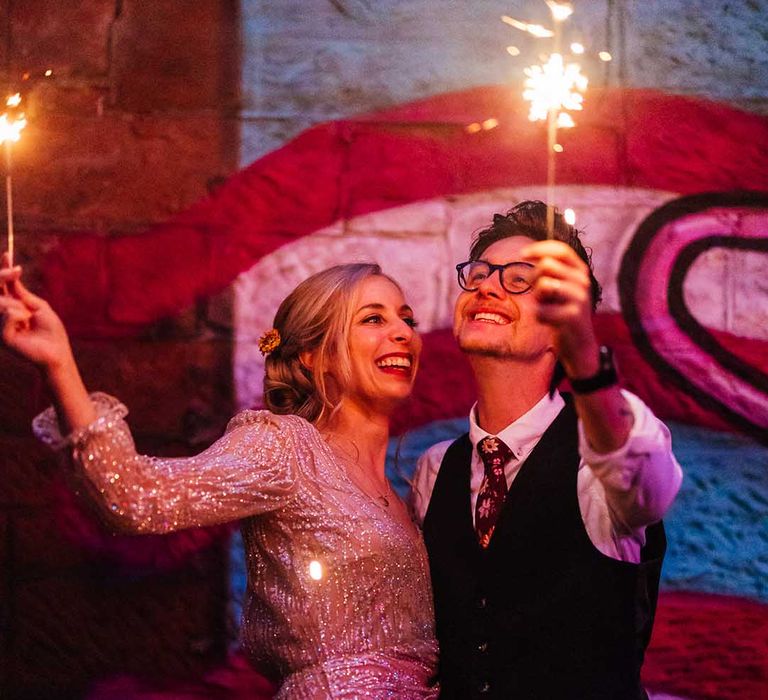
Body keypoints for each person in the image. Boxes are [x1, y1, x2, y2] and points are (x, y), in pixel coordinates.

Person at [0, 258, 438, 699]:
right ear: (313, 355)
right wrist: (59, 365)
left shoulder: (407, 490)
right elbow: (135, 496)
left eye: (407, 319)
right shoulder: (284, 447)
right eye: (372, 319)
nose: (402, 332)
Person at [411, 201, 683, 699]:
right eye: (479, 274)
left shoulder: (600, 460)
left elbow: (649, 489)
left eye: (519, 278)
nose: (487, 286)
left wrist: (586, 359)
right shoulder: (435, 470)